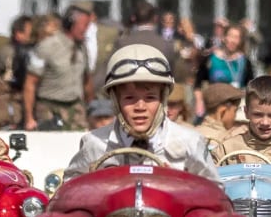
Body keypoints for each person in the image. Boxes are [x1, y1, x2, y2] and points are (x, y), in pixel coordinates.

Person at [65, 44, 218, 179]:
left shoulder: (190, 142)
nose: (140, 107)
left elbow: (215, 197)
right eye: (129, 98)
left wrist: (183, 185)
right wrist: (92, 185)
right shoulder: (94, 144)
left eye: (150, 97)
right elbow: (69, 193)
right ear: (115, 101)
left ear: (163, 98)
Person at [24, 4, 92, 131]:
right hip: (50, 108)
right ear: (70, 23)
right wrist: (29, 118)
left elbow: (87, 80)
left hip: (76, 108)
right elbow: (30, 83)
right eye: (84, 25)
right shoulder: (46, 46)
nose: (86, 30)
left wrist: (91, 107)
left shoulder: (82, 48)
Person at [203, 22, 252, 88]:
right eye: (230, 36)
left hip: (237, 96)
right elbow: (198, 83)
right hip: (215, 96)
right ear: (224, 38)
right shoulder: (212, 58)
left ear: (240, 41)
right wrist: (199, 98)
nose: (232, 40)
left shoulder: (245, 61)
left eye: (236, 37)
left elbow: (250, 85)